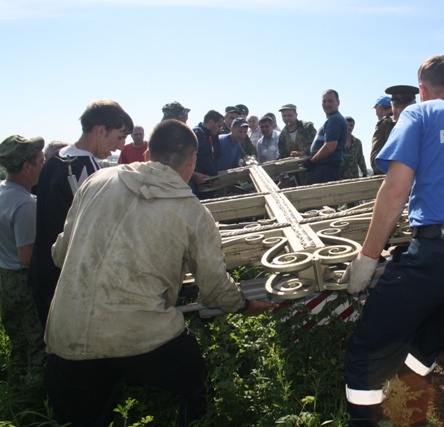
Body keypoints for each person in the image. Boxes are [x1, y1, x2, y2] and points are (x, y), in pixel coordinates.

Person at [43, 119, 275, 427]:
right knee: (193, 376)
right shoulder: (192, 211)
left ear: (147, 152)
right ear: (192, 160)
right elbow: (214, 288)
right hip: (143, 336)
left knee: (80, 417)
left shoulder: (96, 182)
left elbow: (59, 254)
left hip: (67, 338)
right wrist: (246, 305)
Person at [341, 54, 444, 427]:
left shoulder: (418, 115)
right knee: (426, 345)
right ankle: (411, 416)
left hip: (437, 254)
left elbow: (396, 190)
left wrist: (368, 258)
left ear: (422, 90)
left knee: (366, 350)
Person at [29, 100, 133, 328]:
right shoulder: (86, 167)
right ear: (100, 130)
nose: (120, 147)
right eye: (119, 137)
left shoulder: (56, 160)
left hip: (43, 270)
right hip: (67, 279)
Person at [0, 135, 46, 372]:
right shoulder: (24, 204)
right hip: (23, 281)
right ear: (27, 166)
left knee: (17, 340)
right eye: (40, 161)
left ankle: (14, 383)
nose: (43, 166)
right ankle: (33, 394)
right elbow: (26, 257)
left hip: (5, 279)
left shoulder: (3, 192)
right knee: (37, 343)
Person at [370, 86, 418, 175]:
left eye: (404, 107)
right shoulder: (385, 125)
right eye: (396, 106)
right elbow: (375, 161)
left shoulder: (422, 125)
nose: (399, 111)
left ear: (414, 105)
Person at [308, 89, 348, 184]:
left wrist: (312, 161)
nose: (327, 104)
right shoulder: (332, 120)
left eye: (330, 101)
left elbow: (330, 147)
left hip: (327, 169)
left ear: (338, 102)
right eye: (324, 101)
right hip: (326, 168)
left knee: (321, 197)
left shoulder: (334, 120)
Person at [193, 109, 224, 178]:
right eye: (219, 126)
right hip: (198, 178)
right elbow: (203, 156)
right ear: (211, 123)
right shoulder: (198, 133)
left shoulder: (213, 136)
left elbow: (217, 156)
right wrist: (214, 176)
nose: (220, 130)